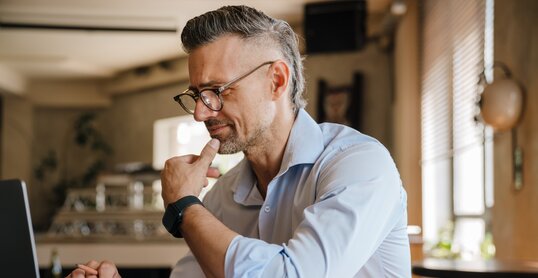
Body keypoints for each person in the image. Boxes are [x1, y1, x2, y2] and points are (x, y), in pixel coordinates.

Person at [68, 5, 411, 278]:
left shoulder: (360, 165)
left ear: (276, 81)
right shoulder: (223, 196)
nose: (201, 114)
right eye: (196, 95)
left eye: (216, 91)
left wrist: (184, 206)